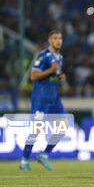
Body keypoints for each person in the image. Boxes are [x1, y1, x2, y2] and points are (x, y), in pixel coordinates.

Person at [20, 30, 67, 171]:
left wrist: (60, 77)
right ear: (49, 40)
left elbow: (53, 75)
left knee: (64, 126)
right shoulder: (43, 56)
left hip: (54, 99)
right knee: (36, 130)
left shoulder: (60, 57)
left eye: (60, 38)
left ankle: (44, 155)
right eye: (55, 38)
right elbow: (33, 76)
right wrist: (51, 70)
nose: (58, 41)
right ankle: (24, 160)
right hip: (41, 98)